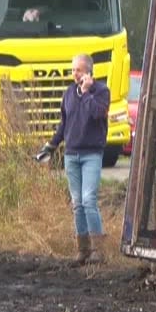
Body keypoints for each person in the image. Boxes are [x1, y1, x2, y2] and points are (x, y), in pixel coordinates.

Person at [34, 53, 110, 263]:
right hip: (71, 155)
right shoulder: (68, 93)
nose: (73, 73)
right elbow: (64, 124)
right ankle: (83, 250)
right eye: (73, 70)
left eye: (77, 70)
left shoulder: (101, 91)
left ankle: (99, 251)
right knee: (77, 203)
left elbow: (97, 113)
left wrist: (86, 92)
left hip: (91, 154)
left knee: (89, 200)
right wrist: (50, 146)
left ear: (88, 72)